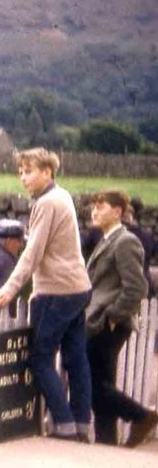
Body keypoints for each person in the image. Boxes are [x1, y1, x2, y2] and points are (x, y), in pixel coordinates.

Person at [0, 148, 93, 442]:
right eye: (20, 171)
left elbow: (33, 252)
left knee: (40, 358)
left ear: (47, 172)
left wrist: (10, 288)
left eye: (29, 171)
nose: (23, 177)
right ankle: (82, 423)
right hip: (78, 287)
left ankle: (63, 425)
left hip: (56, 291)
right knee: (75, 357)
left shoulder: (46, 203)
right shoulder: (64, 196)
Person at [83, 190, 158, 447]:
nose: (95, 212)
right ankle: (107, 442)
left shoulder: (125, 241)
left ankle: (142, 416)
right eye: (93, 207)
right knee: (103, 384)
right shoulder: (106, 240)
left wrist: (113, 316)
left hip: (109, 323)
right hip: (101, 321)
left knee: (93, 385)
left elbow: (137, 287)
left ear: (117, 212)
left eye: (101, 207)